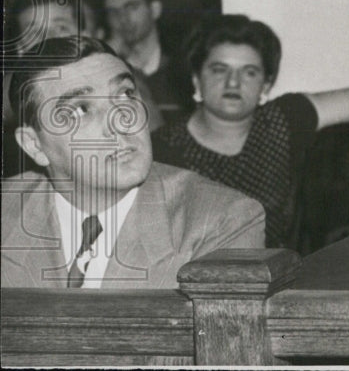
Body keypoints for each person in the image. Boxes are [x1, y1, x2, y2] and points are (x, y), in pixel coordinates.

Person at [2, 36, 265, 289]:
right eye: (81, 109)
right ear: (34, 145)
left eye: (125, 94)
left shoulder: (222, 219)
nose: (121, 120)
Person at [152, 14, 349, 249]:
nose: (233, 82)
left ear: (265, 85)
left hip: (281, 277)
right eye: (219, 70)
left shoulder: (280, 121)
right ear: (196, 79)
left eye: (249, 72)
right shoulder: (164, 149)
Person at [3, 0, 165, 179]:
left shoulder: (123, 81)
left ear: (84, 35)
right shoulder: (15, 91)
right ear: (21, 49)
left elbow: (160, 150)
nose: (49, 38)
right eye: (34, 32)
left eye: (61, 27)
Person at [99, 0, 187, 125]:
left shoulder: (182, 65)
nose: (123, 18)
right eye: (113, 12)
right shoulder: (110, 70)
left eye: (132, 7)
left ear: (154, 10)